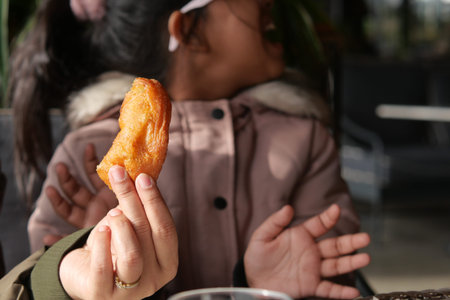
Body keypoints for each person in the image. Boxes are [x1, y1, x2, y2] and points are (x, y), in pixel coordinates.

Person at [6, 0, 369, 298]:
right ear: (188, 31)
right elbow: (40, 280)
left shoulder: (303, 139)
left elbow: (335, 267)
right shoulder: (87, 154)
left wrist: (256, 285)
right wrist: (98, 252)